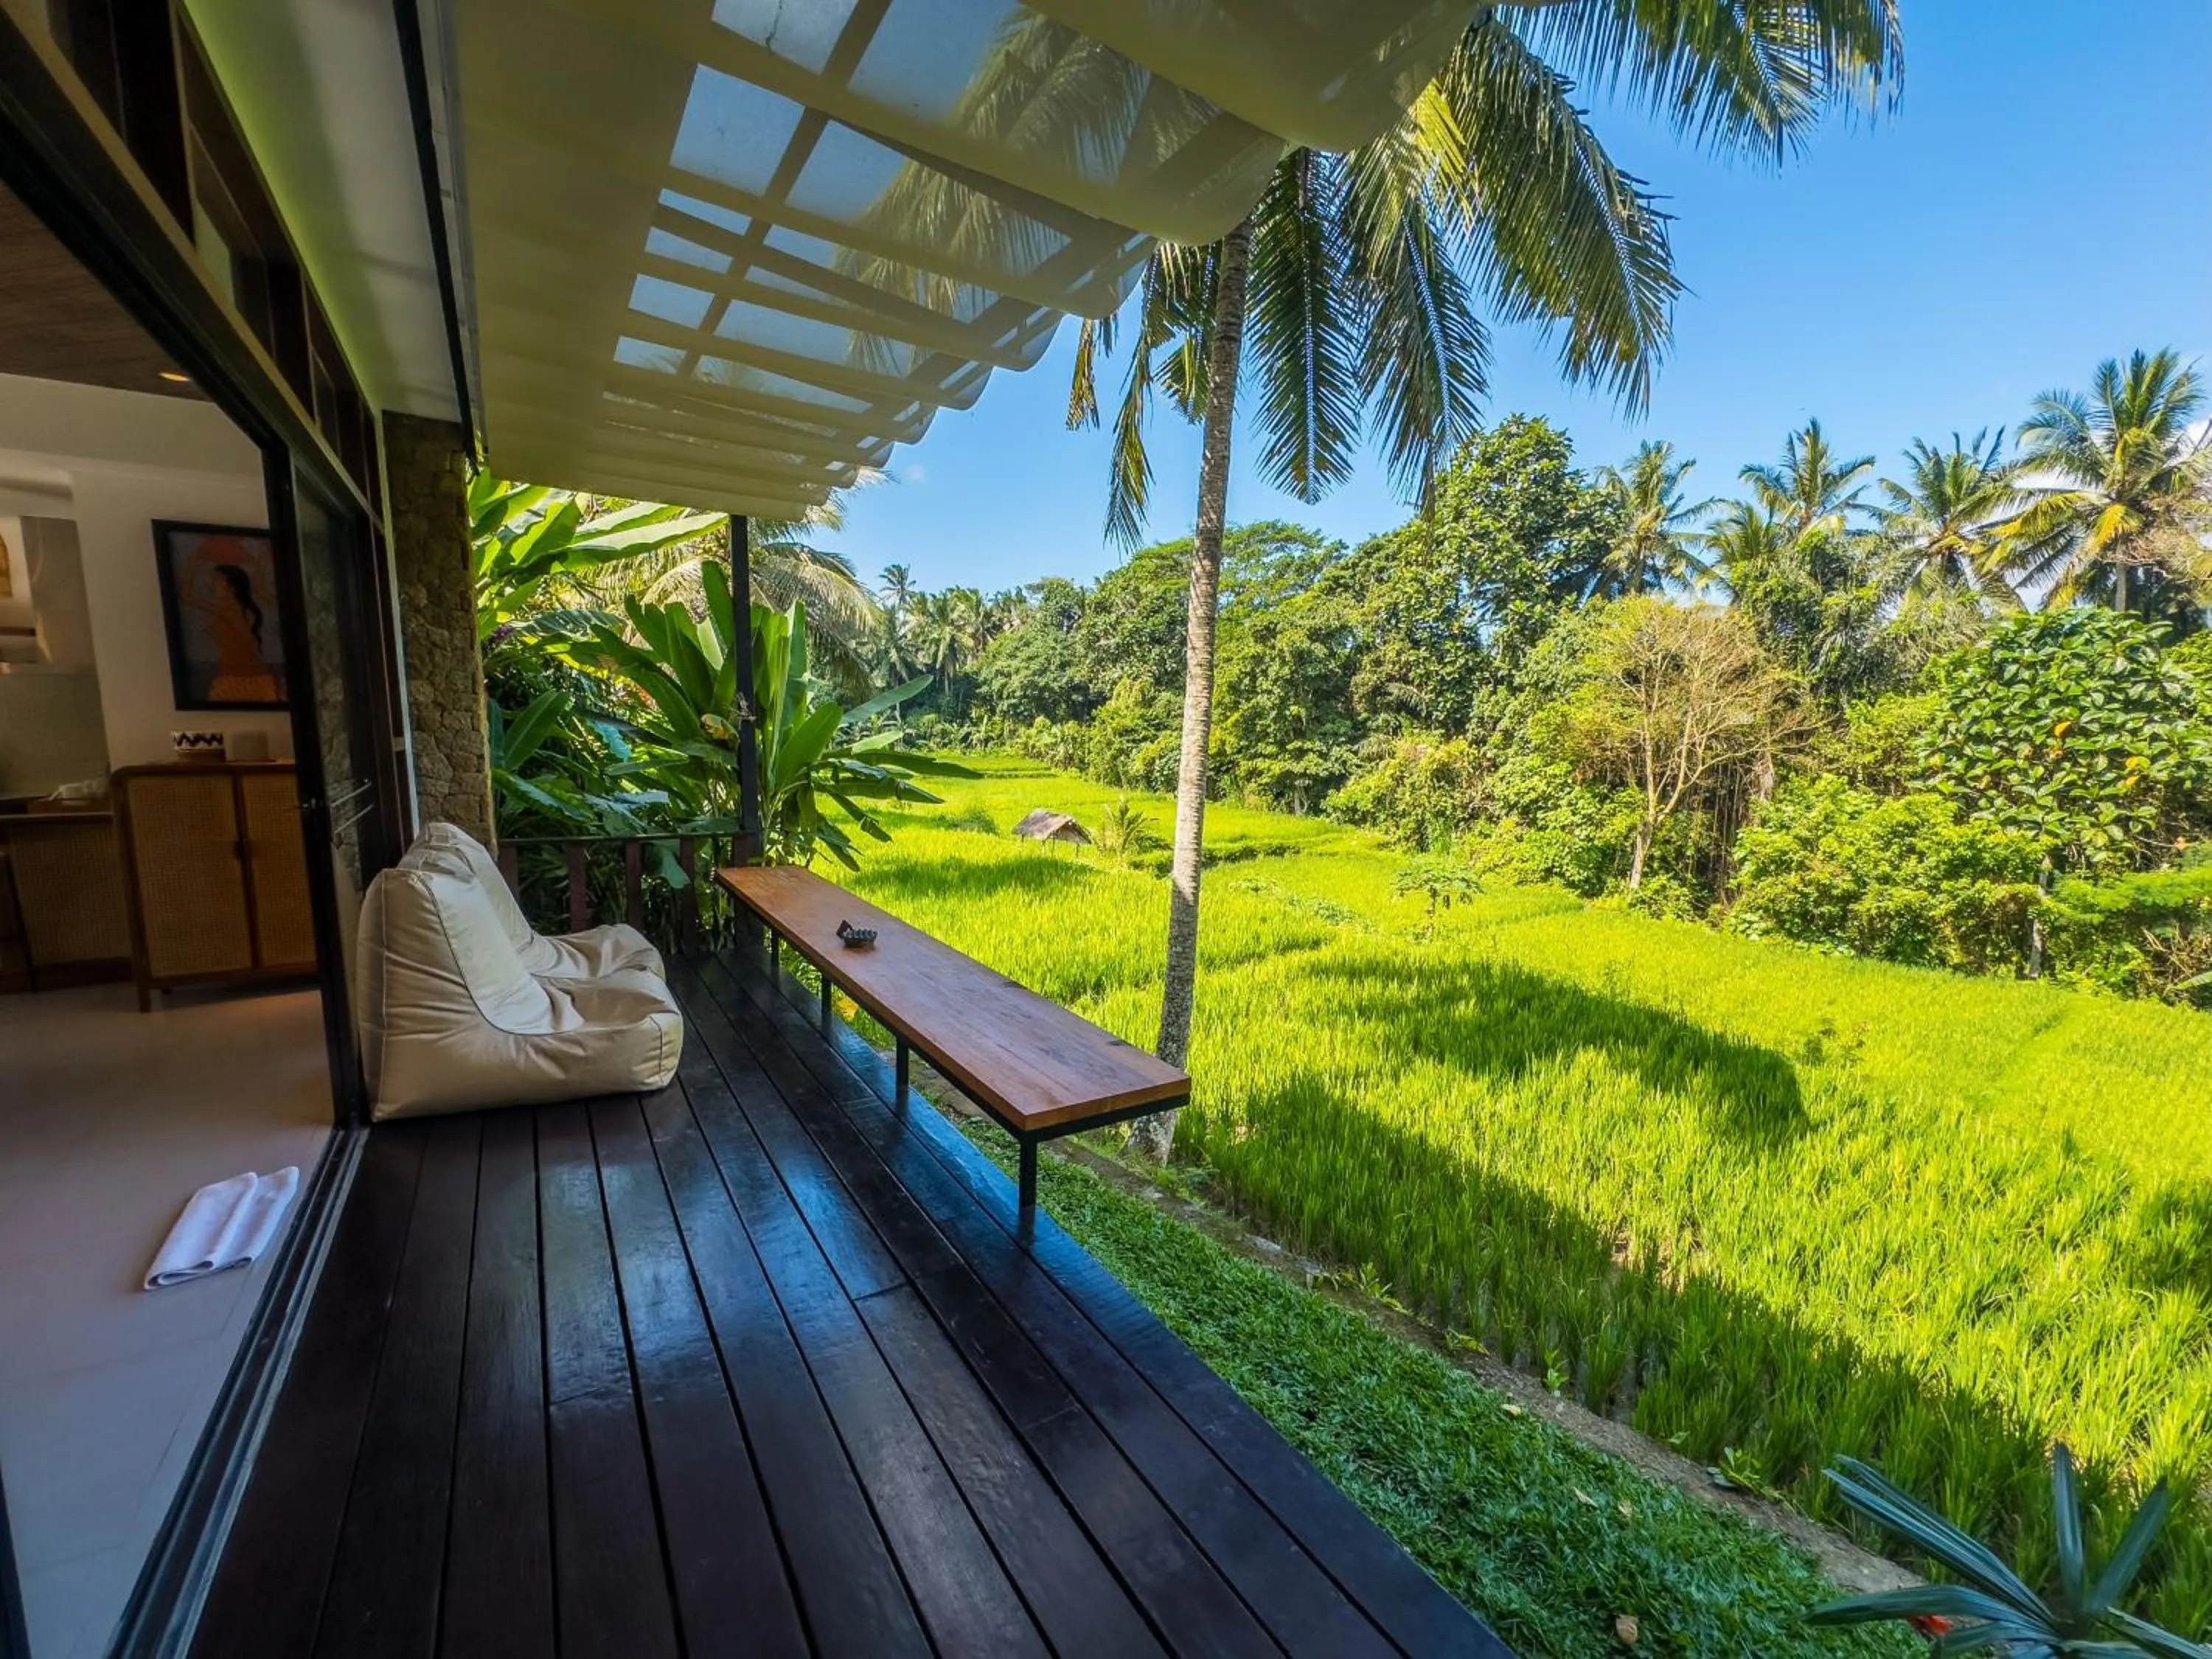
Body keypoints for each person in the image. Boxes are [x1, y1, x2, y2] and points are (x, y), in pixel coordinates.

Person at [180, 538, 283, 703]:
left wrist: (193, 563)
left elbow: (249, 644)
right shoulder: (228, 609)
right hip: (233, 675)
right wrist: (193, 564)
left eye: (216, 581)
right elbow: (186, 596)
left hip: (243, 678)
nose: (211, 584)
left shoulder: (231, 610)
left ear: (231, 586)